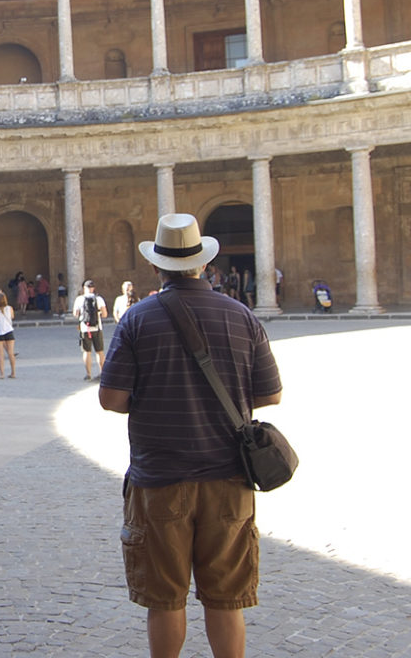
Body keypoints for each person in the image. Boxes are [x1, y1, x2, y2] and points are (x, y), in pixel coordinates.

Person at [98, 213, 282, 658]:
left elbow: (111, 399)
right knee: (226, 598)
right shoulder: (241, 316)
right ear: (203, 264)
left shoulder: (137, 320)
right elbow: (270, 394)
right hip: (229, 479)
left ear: (157, 266)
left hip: (160, 478)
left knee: (164, 599)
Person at [72, 279, 108, 381]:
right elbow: (105, 314)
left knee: (86, 352)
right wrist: (99, 313)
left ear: (84, 288)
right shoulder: (99, 299)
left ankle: (88, 374)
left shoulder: (79, 299)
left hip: (85, 328)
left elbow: (75, 314)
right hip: (97, 327)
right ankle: (102, 373)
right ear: (93, 288)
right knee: (100, 352)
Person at [0, 290, 17, 379]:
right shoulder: (10, 308)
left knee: (0, 354)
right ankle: (13, 372)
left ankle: (2, 374)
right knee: (11, 353)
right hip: (9, 331)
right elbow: (12, 317)